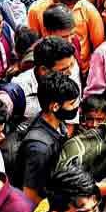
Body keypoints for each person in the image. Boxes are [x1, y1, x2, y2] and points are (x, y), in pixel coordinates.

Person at [18, 71, 81, 203]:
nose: (76, 107)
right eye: (72, 103)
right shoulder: (39, 148)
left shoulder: (55, 122)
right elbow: (30, 194)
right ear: (55, 106)